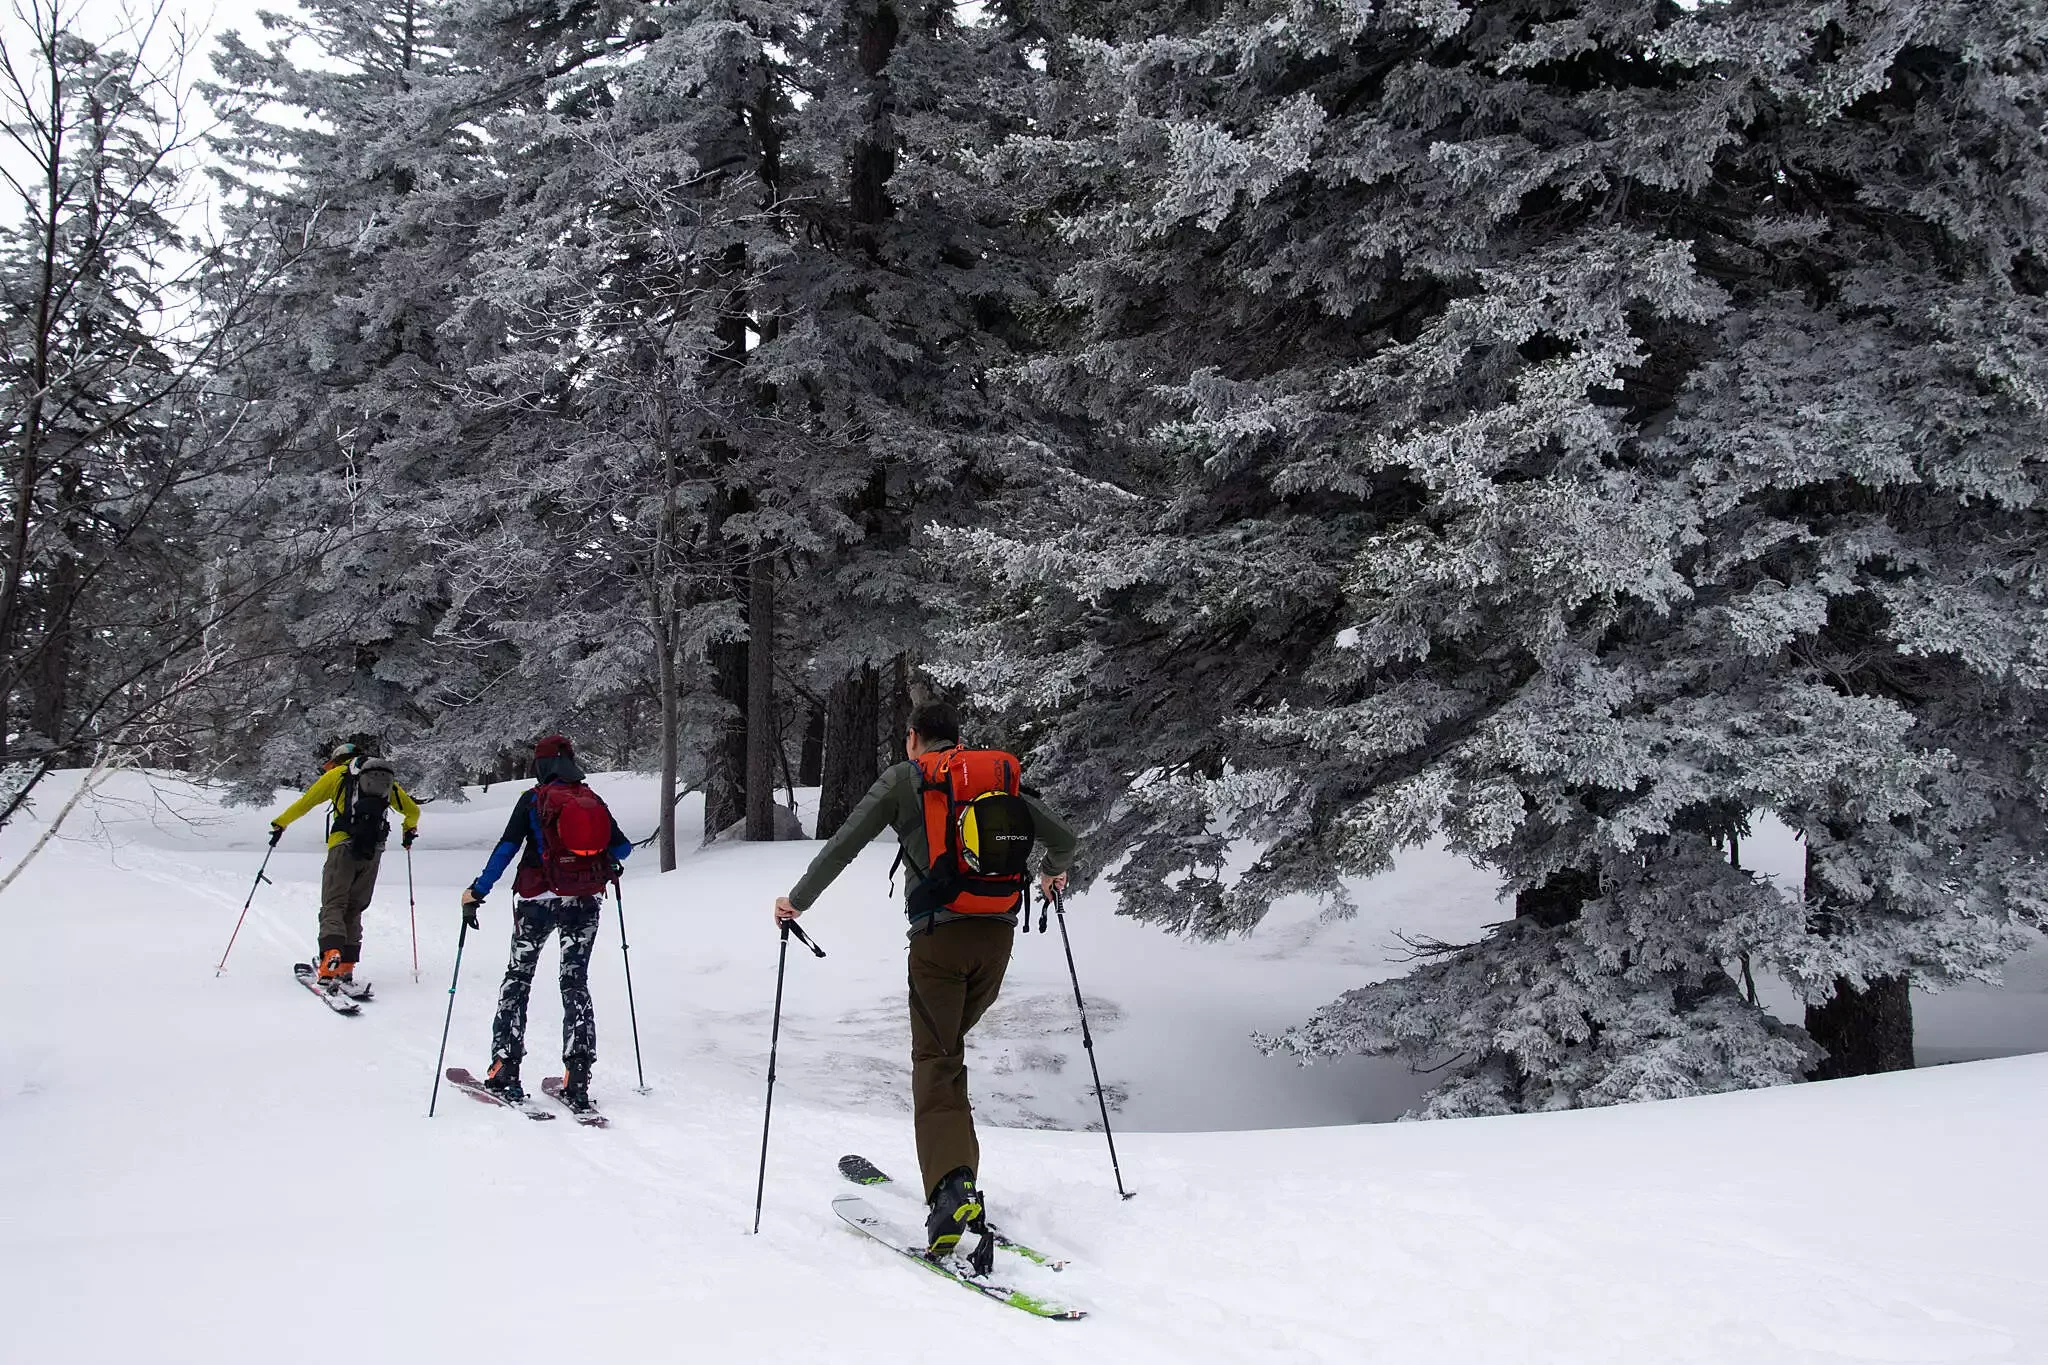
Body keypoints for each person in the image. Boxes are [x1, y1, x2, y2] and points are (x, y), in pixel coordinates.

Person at [774, 700, 1077, 1258]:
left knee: (935, 1060)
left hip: (939, 941)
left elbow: (844, 844)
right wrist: (1051, 872)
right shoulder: (993, 781)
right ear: (956, 739)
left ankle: (950, 1190)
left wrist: (796, 902)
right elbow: (1064, 839)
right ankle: (959, 1175)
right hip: (998, 939)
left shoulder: (902, 779)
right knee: (949, 1053)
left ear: (914, 738)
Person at [461, 735, 633, 1107]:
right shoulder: (590, 799)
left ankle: (504, 1071)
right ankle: (577, 1078)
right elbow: (623, 848)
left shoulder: (532, 800)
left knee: (518, 979)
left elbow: (506, 849)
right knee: (575, 983)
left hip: (536, 903)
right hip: (584, 902)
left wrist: (478, 891)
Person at [269, 742, 421, 998]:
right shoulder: (383, 780)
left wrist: (280, 823)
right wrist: (408, 831)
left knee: (333, 903)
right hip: (373, 850)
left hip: (342, 846)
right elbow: (413, 811)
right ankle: (348, 965)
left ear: (339, 760)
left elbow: (305, 803)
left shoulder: (336, 775)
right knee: (354, 906)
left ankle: (330, 958)